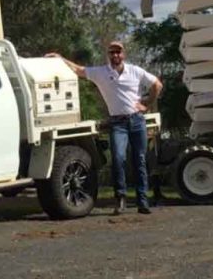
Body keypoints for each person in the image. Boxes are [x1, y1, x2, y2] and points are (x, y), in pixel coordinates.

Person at [48, 41, 162, 215]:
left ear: (123, 54)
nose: (115, 55)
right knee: (118, 158)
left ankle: (142, 201)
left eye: (118, 52)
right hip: (118, 123)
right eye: (112, 52)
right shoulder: (101, 73)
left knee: (139, 160)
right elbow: (79, 70)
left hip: (137, 120)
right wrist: (60, 58)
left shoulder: (135, 71)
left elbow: (157, 85)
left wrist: (147, 103)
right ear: (108, 55)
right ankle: (121, 198)